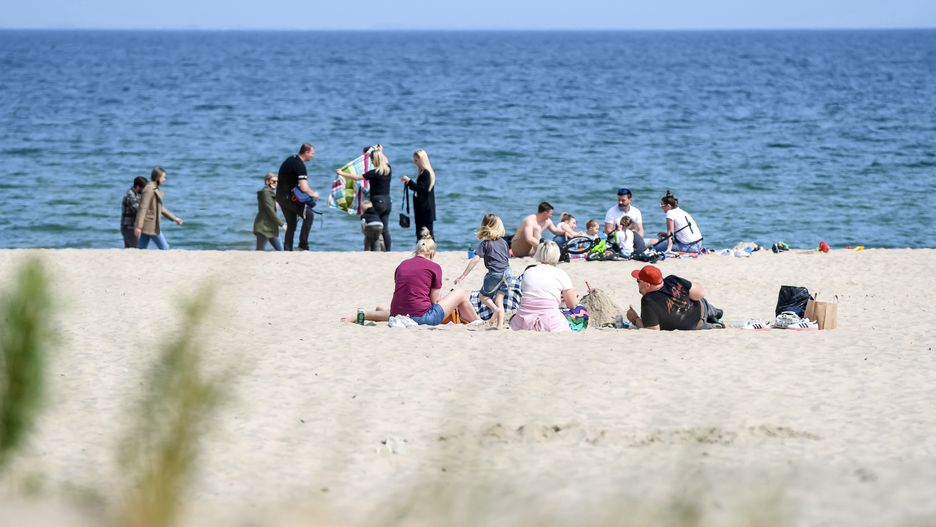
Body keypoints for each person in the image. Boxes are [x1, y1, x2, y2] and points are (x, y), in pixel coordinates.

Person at [346, 233, 479, 326]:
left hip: (397, 313)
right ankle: (477, 321)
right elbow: (435, 301)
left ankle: (363, 314)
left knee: (404, 309)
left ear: (417, 251)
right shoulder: (434, 267)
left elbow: (406, 291)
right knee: (460, 293)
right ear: (432, 253)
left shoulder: (402, 265)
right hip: (422, 318)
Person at [454, 214, 511, 329]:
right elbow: (506, 257)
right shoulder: (504, 242)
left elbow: (475, 260)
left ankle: (495, 310)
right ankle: (499, 326)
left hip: (495, 274)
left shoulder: (485, 244)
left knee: (483, 296)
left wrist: (463, 275)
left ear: (485, 227)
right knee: (499, 299)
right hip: (508, 272)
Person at [625, 265, 724, 331]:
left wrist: (635, 319)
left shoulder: (648, 301)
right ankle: (716, 313)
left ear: (647, 285)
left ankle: (714, 318)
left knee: (703, 306)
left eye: (638, 281)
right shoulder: (672, 280)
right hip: (702, 310)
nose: (637, 283)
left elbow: (652, 330)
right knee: (702, 302)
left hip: (696, 327)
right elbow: (700, 294)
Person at [510, 240, 579, 332]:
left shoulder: (528, 272)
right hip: (550, 322)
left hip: (523, 321)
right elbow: (572, 305)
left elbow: (531, 293)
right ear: (557, 255)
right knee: (581, 312)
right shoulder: (561, 274)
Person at [338, 149, 392, 250]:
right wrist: (381, 151)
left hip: (377, 201)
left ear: (375, 160)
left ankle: (372, 248)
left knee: (372, 225)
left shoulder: (374, 172)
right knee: (385, 229)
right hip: (388, 201)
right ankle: (388, 251)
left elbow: (357, 178)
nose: (371, 162)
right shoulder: (388, 169)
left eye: (372, 160)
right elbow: (386, 160)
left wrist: (342, 173)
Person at [276, 143, 320, 251]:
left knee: (291, 223)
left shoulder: (291, 159)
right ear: (306, 152)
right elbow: (304, 187)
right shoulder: (300, 165)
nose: (313, 156)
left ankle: (288, 249)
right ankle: (303, 245)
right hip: (289, 198)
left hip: (280, 197)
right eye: (312, 153)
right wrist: (313, 194)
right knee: (309, 215)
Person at [134, 167, 183, 250]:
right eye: (163, 177)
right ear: (157, 178)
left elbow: (161, 208)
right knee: (165, 247)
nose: (164, 179)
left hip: (149, 223)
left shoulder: (155, 188)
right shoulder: (149, 189)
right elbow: (143, 207)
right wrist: (138, 226)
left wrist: (174, 218)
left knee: (141, 248)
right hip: (150, 224)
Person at [400, 148, 437, 241]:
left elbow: (422, 189)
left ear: (421, 159)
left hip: (425, 209)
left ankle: (426, 253)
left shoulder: (426, 173)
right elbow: (419, 188)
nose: (415, 162)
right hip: (424, 208)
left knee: (424, 233)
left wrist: (409, 181)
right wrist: (408, 183)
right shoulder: (423, 172)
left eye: (416, 160)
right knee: (425, 233)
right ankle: (425, 252)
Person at [253, 172, 285, 251]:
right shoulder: (266, 193)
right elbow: (270, 211)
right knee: (259, 251)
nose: (276, 183)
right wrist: (282, 224)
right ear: (267, 182)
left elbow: (269, 204)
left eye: (277, 182)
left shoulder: (269, 193)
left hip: (271, 227)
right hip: (263, 227)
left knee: (281, 250)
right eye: (274, 181)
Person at [120, 176, 147, 248]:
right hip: (129, 227)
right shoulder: (130, 195)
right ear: (138, 187)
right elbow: (138, 210)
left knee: (130, 249)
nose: (144, 190)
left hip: (132, 227)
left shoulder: (138, 194)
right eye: (143, 188)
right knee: (133, 249)